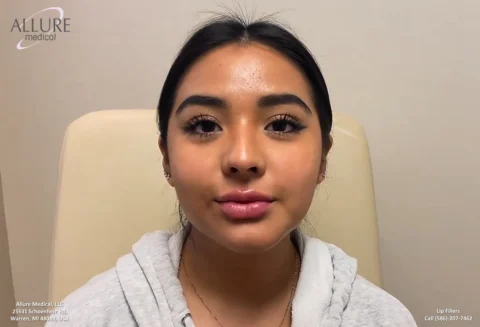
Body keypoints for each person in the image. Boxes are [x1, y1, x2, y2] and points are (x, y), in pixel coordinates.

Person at [46, 12, 417, 327]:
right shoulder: (83, 317)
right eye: (205, 126)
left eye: (282, 125)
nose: (242, 158)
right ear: (166, 159)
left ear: (323, 158)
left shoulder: (383, 318)